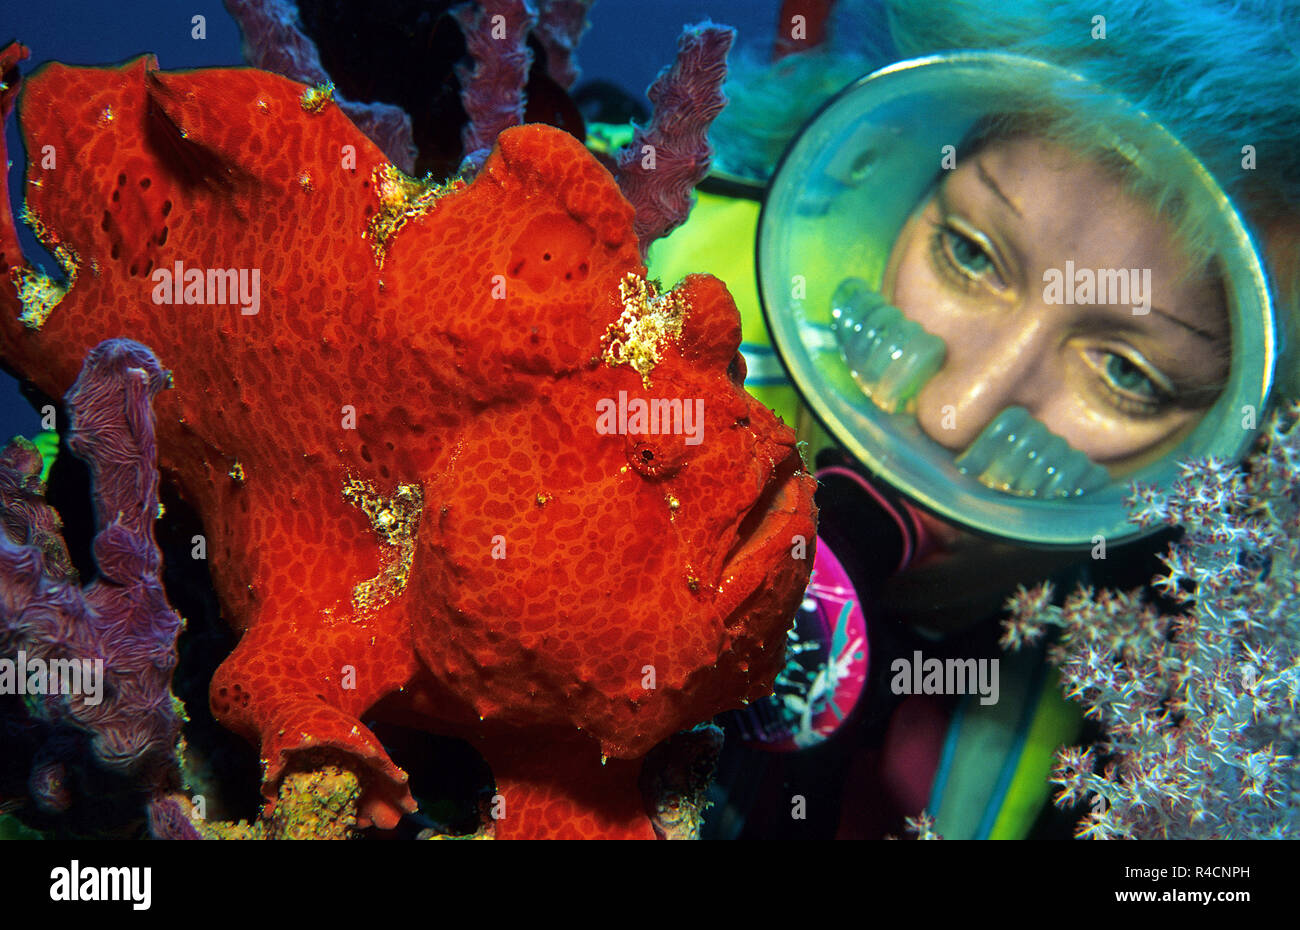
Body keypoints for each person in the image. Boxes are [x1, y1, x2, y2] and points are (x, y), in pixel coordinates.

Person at [642, 0, 1300, 838]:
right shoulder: (644, 291)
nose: (954, 417)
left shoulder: (1184, 704)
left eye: (1128, 374)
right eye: (969, 253)